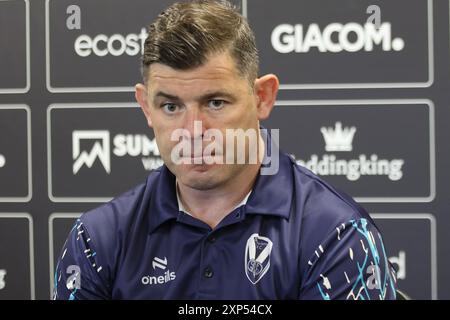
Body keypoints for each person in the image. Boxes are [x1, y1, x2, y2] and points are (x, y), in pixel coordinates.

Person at [53, 0, 397, 300]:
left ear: (262, 97)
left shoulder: (336, 235)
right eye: (171, 107)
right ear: (146, 106)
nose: (193, 132)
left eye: (215, 102)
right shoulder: (97, 238)